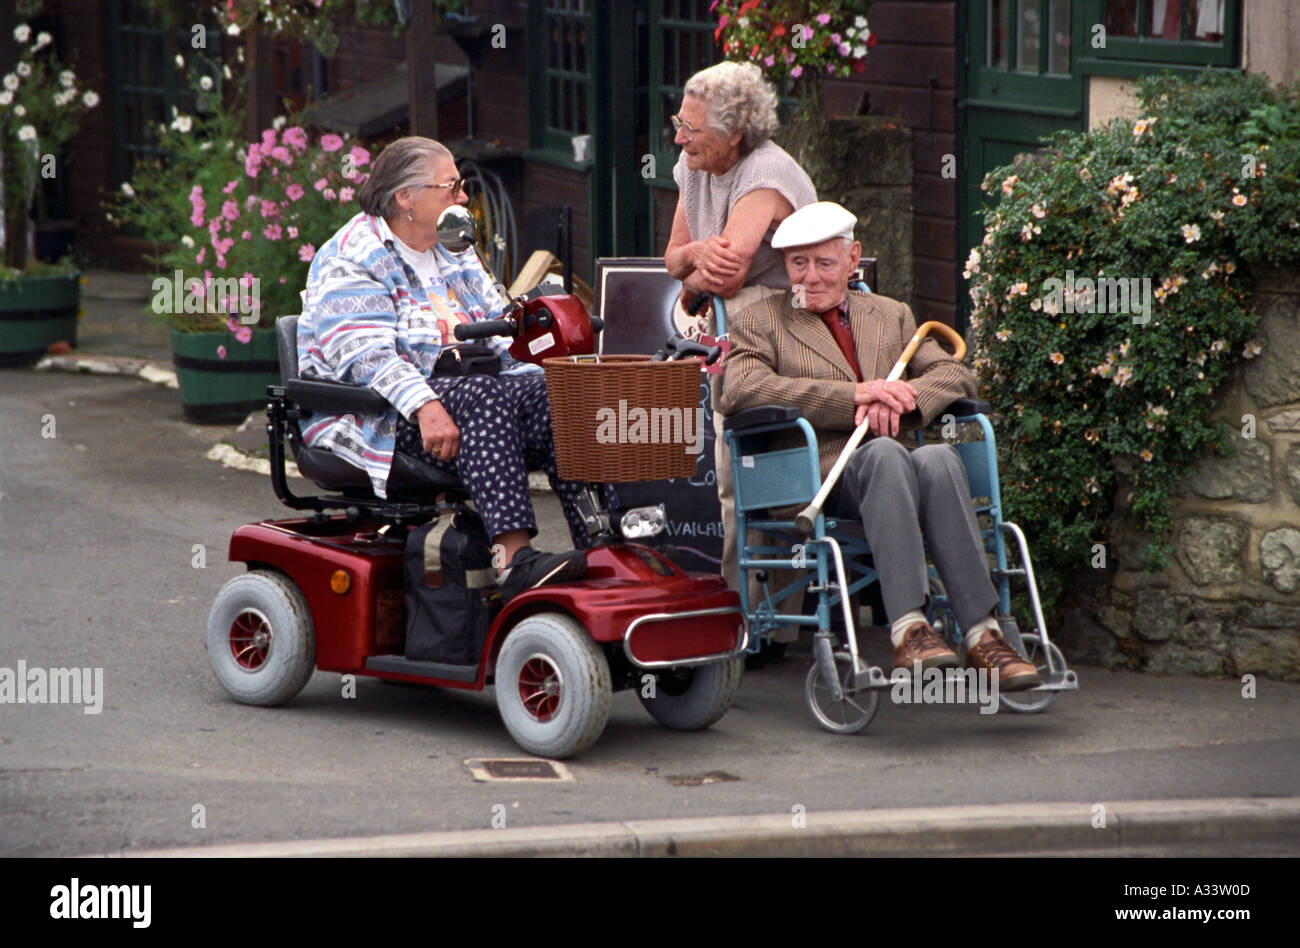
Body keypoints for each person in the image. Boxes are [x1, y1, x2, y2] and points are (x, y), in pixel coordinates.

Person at [719, 201, 1041, 690]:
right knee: (891, 454)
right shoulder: (762, 321)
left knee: (935, 455)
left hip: (892, 472)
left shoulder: (891, 315)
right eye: (796, 264)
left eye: (824, 263)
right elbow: (741, 389)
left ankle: (982, 633)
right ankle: (910, 626)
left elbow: (954, 372)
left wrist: (907, 400)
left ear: (854, 259)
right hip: (817, 476)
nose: (809, 278)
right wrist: (854, 396)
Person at [297, 136, 587, 601]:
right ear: (405, 198)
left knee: (565, 392)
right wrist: (425, 404)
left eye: (462, 185)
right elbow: (366, 356)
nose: (463, 197)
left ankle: (602, 542)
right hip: (384, 415)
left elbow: (499, 331)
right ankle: (514, 560)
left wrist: (555, 368)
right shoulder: (352, 256)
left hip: (465, 397)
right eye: (450, 187)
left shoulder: (454, 246)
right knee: (482, 396)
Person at [663, 59, 817, 610]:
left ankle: (756, 612)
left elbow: (726, 271)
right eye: (678, 123)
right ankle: (745, 608)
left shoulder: (765, 174)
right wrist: (693, 261)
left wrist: (692, 279)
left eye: (691, 128)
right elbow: (673, 256)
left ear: (732, 133)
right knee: (732, 472)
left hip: (780, 337)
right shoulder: (693, 164)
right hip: (733, 333)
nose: (680, 137)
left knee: (751, 468)